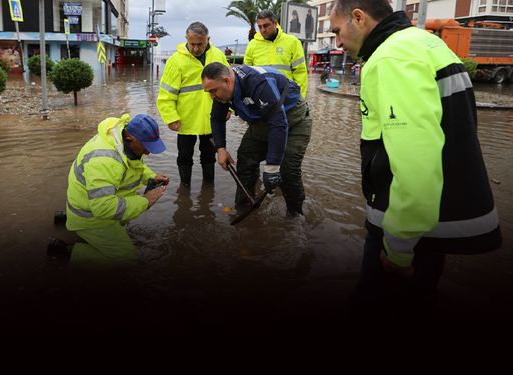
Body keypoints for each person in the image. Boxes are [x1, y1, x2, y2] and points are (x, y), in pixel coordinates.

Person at [328, 0, 501, 317]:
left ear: (359, 17)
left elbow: (413, 155)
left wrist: (399, 246)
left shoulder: (391, 57)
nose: (337, 42)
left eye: (337, 31)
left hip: (405, 229)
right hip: (431, 221)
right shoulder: (426, 43)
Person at [201, 62, 312, 217]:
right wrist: (220, 148)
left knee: (288, 170)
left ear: (227, 81)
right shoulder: (222, 93)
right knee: (246, 159)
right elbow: (217, 118)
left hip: (294, 121)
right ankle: (244, 206)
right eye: (208, 92)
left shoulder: (257, 82)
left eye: (213, 91)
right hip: (262, 122)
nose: (212, 96)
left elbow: (278, 123)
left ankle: (295, 215)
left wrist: (272, 167)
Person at [63, 113, 170, 267]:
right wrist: (145, 201)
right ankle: (70, 251)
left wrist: (151, 177)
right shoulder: (103, 161)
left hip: (93, 207)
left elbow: (131, 164)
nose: (148, 152)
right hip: (91, 220)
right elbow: (103, 208)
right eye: (146, 147)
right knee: (126, 259)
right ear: (129, 140)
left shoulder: (122, 140)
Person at [157, 22, 230, 187]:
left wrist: (229, 108)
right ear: (186, 39)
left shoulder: (218, 55)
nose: (196, 48)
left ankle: (208, 187)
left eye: (200, 44)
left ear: (208, 39)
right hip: (185, 120)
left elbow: (230, 84)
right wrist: (170, 118)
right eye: (193, 44)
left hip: (212, 118)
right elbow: (166, 94)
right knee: (184, 156)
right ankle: (184, 187)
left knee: (209, 156)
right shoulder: (176, 61)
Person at [244, 10, 309, 101]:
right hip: (262, 98)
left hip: (287, 97)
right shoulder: (252, 45)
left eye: (266, 25)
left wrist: (299, 98)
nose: (263, 30)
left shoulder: (292, 42)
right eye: (260, 27)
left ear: (275, 23)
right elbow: (247, 75)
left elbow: (300, 72)